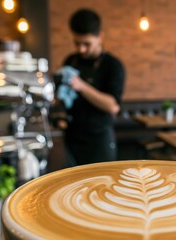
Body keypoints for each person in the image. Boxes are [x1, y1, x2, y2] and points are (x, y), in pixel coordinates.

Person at [59, 9, 125, 166]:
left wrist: (81, 86)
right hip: (72, 137)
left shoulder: (112, 65)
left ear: (100, 37)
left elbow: (112, 106)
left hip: (98, 141)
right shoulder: (71, 60)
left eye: (86, 44)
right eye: (77, 43)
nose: (81, 49)